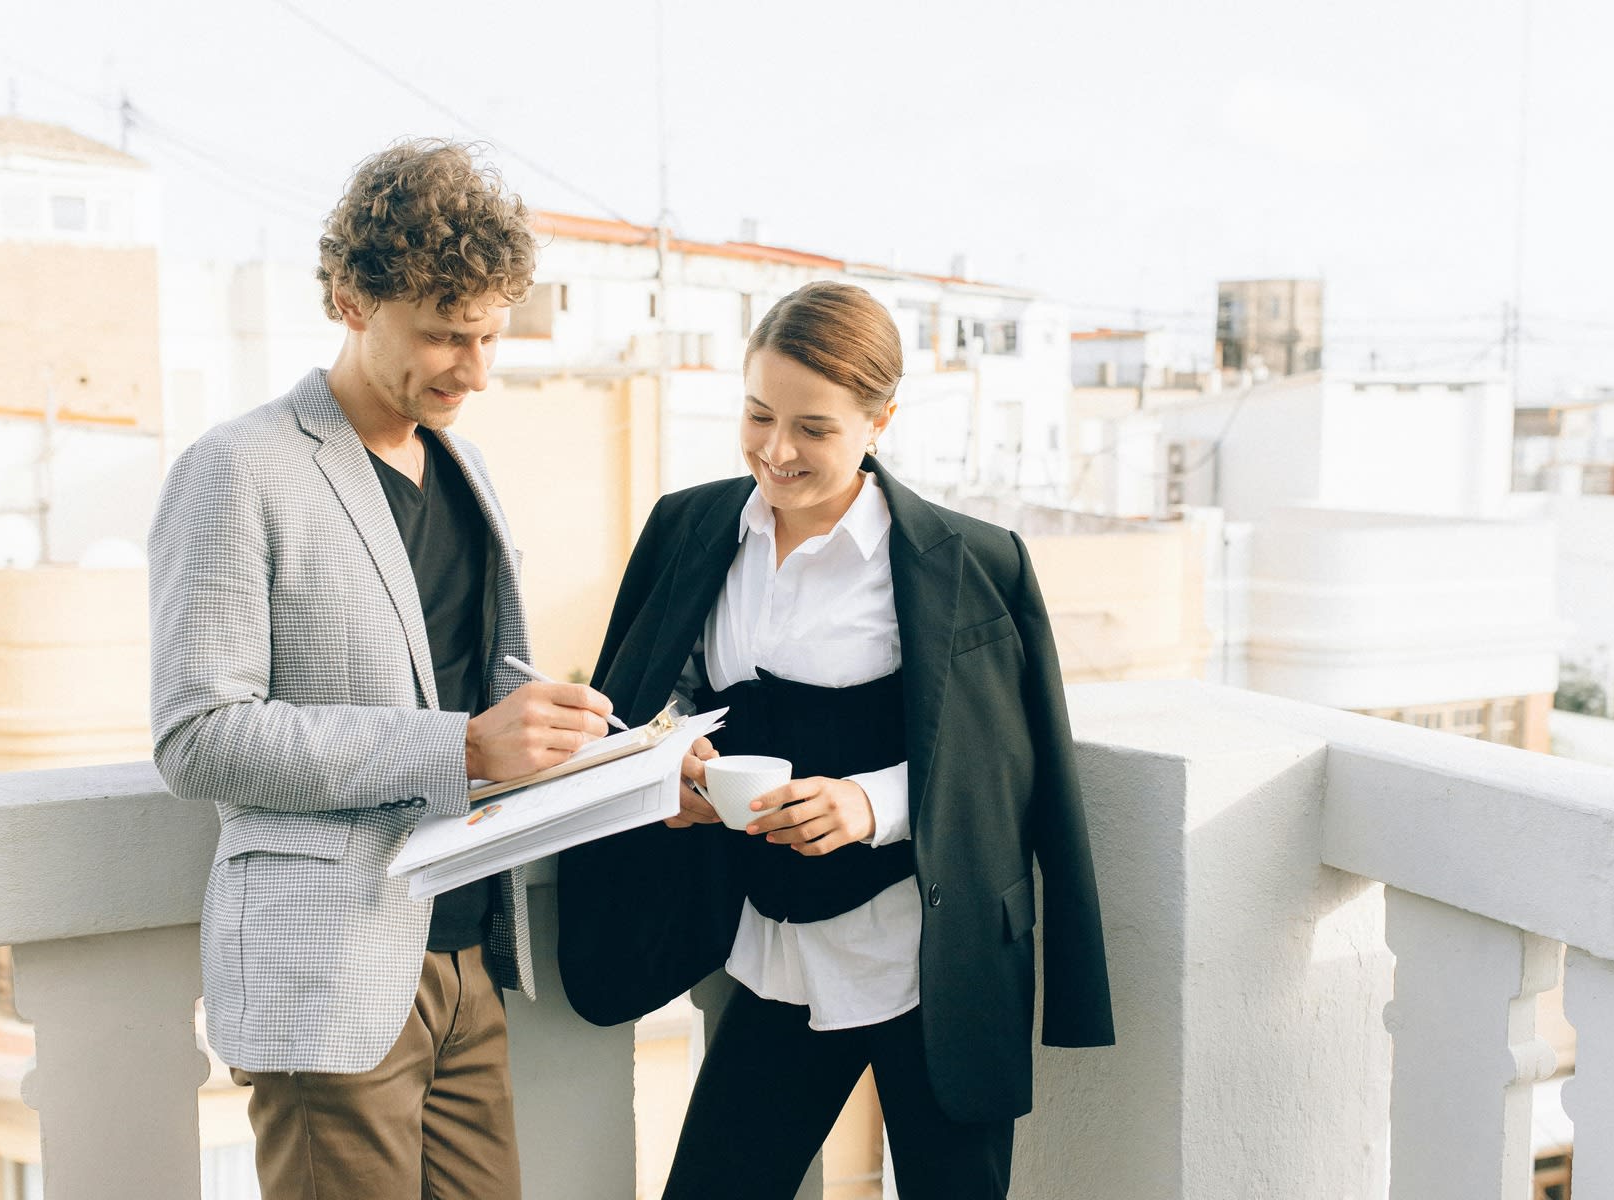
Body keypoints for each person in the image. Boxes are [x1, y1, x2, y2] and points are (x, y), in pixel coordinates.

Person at [558, 281, 1114, 1199]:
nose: (776, 451)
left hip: (930, 960)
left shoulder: (968, 560)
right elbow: (643, 694)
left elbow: (1003, 762)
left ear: (880, 420)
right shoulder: (689, 526)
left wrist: (870, 803)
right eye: (757, 414)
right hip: (774, 952)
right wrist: (673, 763)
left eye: (813, 428)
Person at [148, 140, 613, 1200]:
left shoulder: (465, 464)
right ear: (352, 298)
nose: (475, 370)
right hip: (329, 975)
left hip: (466, 957)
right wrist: (459, 746)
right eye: (446, 335)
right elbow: (196, 735)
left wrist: (601, 755)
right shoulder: (235, 469)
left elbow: (481, 685)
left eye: (489, 336)